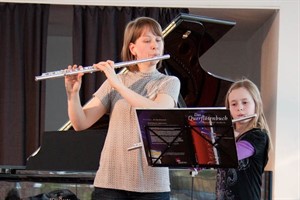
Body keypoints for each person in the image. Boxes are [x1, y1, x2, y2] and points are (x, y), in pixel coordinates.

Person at [64, 17, 180, 200]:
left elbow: (158, 112)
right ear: (133, 48)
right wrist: (72, 94)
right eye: (147, 40)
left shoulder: (169, 82)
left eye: (158, 40)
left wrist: (118, 85)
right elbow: (80, 123)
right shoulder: (116, 82)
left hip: (152, 185)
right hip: (110, 183)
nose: (154, 45)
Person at [215, 78, 271, 200]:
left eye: (245, 102)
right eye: (234, 104)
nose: (239, 108)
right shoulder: (226, 136)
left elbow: (231, 154)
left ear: (256, 104)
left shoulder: (258, 136)